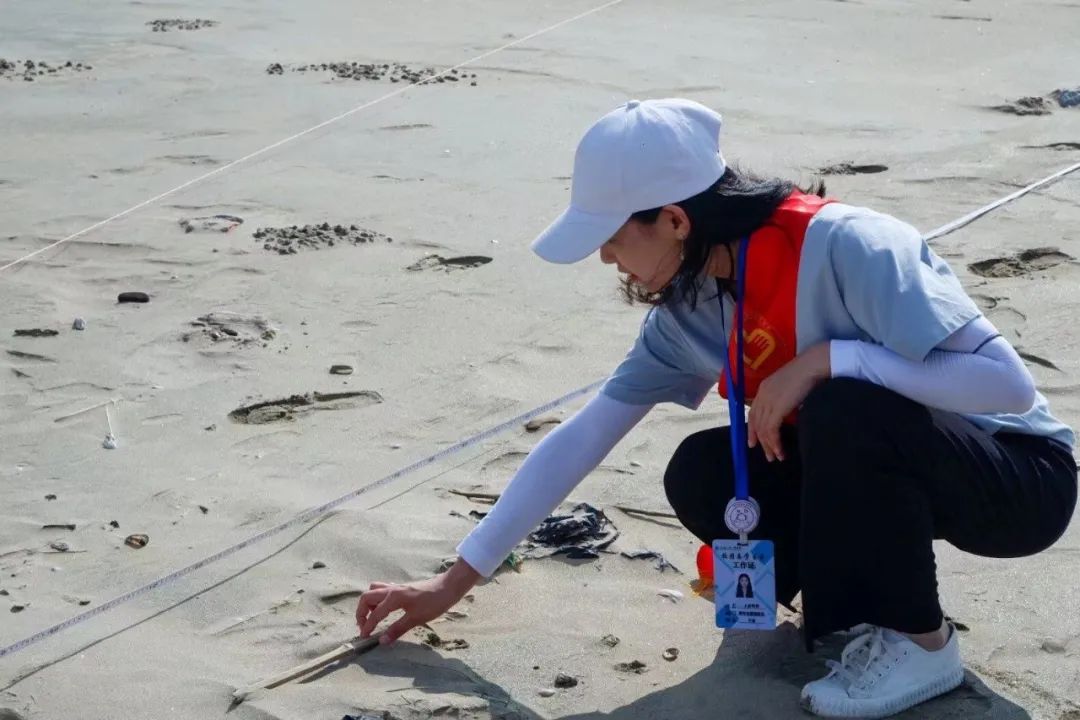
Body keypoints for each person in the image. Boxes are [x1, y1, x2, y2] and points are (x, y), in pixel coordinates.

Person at [357, 98, 1078, 718]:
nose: (606, 259)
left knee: (843, 405)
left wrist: (828, 359)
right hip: (876, 468)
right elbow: (585, 437)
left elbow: (1005, 387)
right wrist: (454, 581)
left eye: (612, 237)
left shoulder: (850, 244)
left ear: (674, 219)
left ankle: (923, 645)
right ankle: (831, 615)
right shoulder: (687, 311)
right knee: (702, 469)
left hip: (1016, 478)